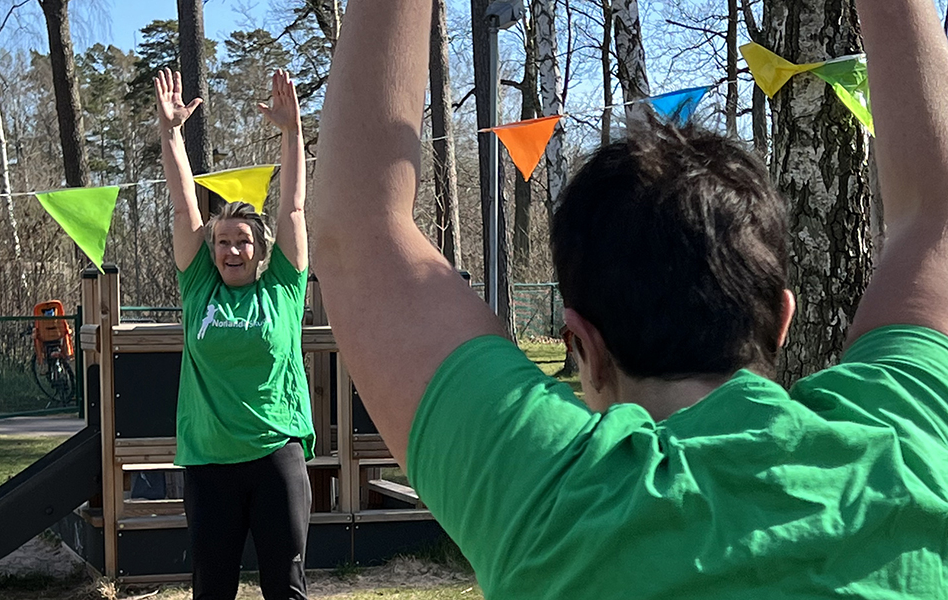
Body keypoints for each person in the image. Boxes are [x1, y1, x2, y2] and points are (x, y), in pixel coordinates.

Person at [311, 0, 948, 598]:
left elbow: (358, 231)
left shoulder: (553, 499)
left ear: (582, 348)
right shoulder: (913, 443)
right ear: (782, 318)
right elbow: (936, 218)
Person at [155, 67, 312, 600]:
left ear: (261, 251)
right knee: (212, 589)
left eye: (242, 241)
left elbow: (291, 207)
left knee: (285, 589)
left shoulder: (285, 288)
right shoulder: (199, 287)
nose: (230, 250)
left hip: (275, 458)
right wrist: (172, 133)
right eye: (221, 241)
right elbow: (183, 205)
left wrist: (292, 134)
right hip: (208, 464)